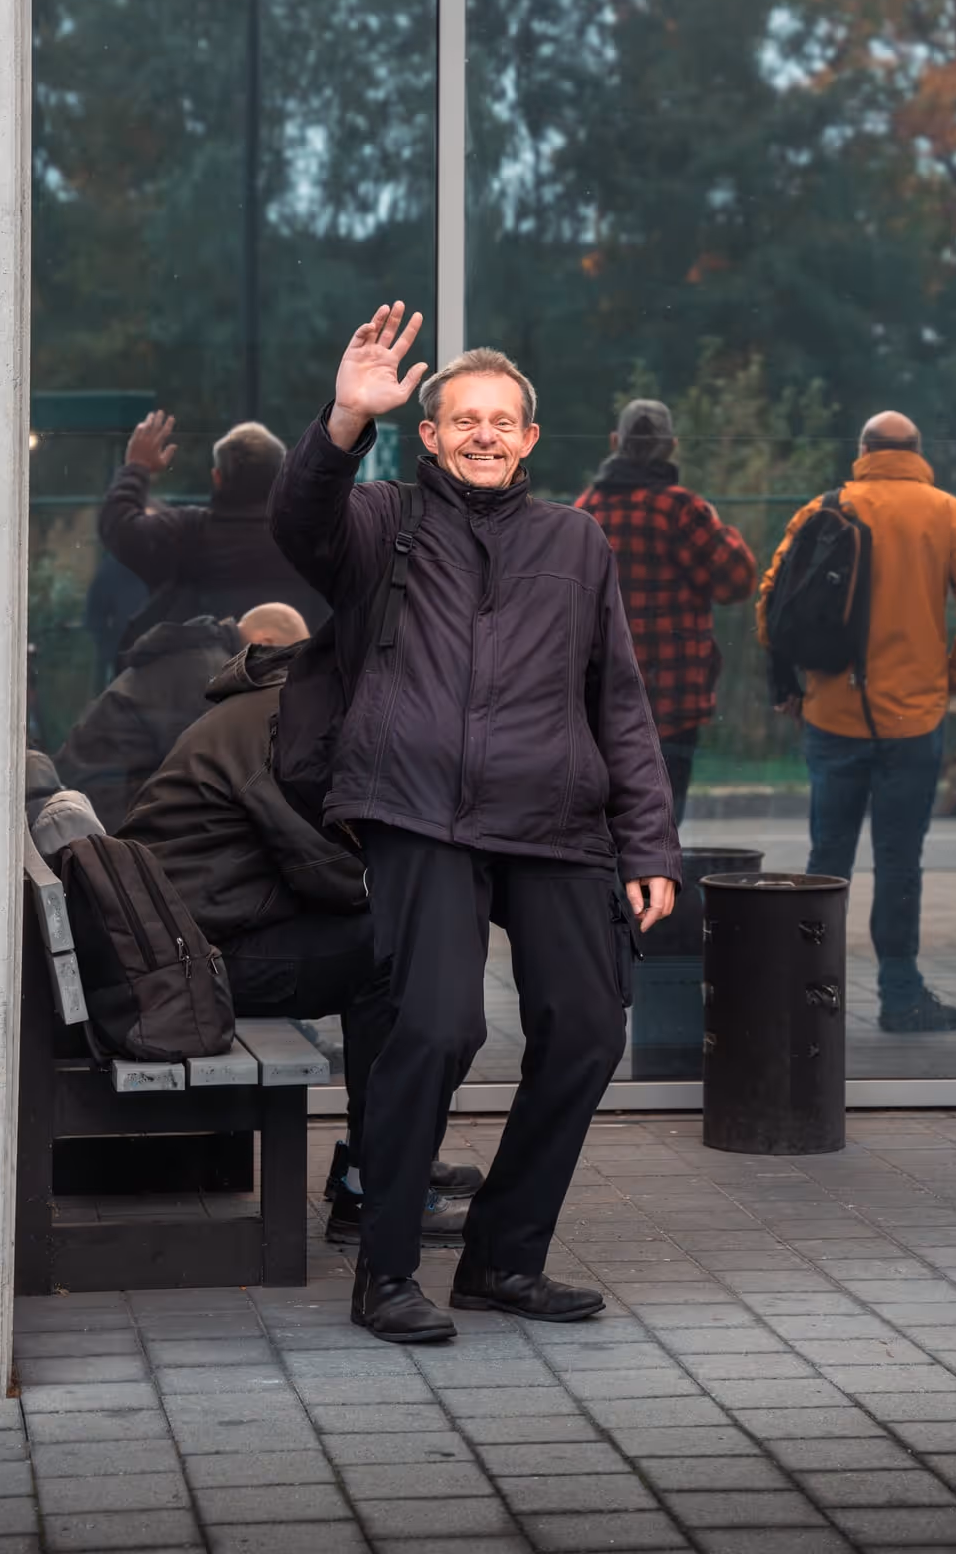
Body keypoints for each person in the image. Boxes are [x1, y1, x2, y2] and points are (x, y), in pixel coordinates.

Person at [270, 303, 681, 1346]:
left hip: (555, 819)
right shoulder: (379, 524)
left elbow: (618, 703)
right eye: (463, 420)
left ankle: (502, 1260)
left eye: (502, 421)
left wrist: (647, 844)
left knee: (588, 1028)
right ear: (431, 435)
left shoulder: (575, 541)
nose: (484, 435)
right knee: (439, 1025)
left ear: (530, 439)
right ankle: (389, 1269)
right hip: (419, 812)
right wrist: (342, 421)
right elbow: (298, 520)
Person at [116, 603, 472, 1247]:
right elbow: (322, 864)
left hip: (195, 940)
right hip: (192, 963)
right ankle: (377, 1182)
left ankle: (390, 1155)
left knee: (399, 944)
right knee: (394, 957)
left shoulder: (278, 703)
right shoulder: (288, 724)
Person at [758, 411, 956, 1033]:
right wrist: (954, 678)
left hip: (833, 714)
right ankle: (901, 995)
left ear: (863, 450)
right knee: (899, 861)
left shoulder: (823, 508)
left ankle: (811, 995)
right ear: (919, 450)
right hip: (913, 721)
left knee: (827, 857)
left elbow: (770, 601)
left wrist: (795, 680)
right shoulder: (950, 514)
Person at [576, 397, 756, 816]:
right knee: (661, 826)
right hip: (672, 704)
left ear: (615, 441)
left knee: (601, 827)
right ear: (672, 446)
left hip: (598, 702)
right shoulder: (681, 510)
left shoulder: (584, 512)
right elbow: (738, 580)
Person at [100, 412, 328, 652]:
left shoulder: (189, 532)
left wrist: (137, 467)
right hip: (300, 680)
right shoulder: (314, 538)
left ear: (217, 477)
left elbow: (119, 528)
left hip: (201, 681)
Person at [55, 612, 246, 834]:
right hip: (110, 805)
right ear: (268, 642)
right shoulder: (211, 673)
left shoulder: (190, 657)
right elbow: (205, 766)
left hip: (89, 793)